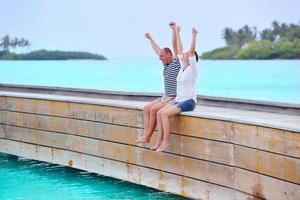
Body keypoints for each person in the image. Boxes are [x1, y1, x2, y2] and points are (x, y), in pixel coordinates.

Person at [153, 25, 199, 152]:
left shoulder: (192, 69)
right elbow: (178, 48)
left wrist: (194, 36)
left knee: (164, 113)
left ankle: (166, 141)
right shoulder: (181, 70)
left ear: (191, 58)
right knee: (159, 112)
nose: (183, 54)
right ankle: (159, 141)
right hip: (179, 100)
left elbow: (190, 51)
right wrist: (177, 32)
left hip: (189, 102)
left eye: (186, 54)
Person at [135, 22, 181, 144]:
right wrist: (150, 38)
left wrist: (174, 31)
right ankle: (146, 135)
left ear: (169, 55)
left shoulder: (175, 64)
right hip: (165, 97)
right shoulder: (165, 65)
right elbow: (157, 49)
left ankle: (148, 137)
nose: (159, 58)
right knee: (146, 109)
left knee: (154, 109)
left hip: (173, 98)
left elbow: (175, 46)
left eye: (161, 56)